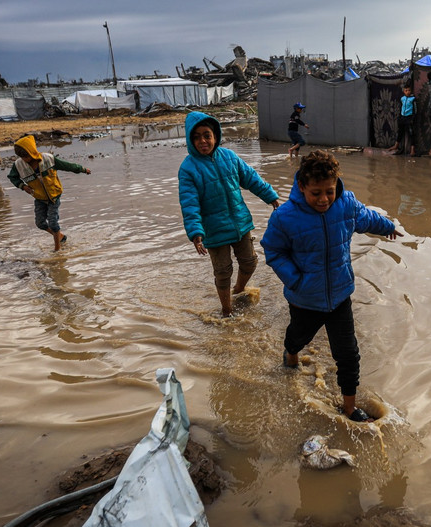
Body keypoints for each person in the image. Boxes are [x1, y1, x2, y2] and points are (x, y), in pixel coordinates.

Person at [261, 150, 403, 422]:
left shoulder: (345, 203)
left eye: (329, 191)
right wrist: (296, 281)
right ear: (301, 186)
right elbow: (273, 251)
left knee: (348, 354)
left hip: (340, 296)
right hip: (304, 299)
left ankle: (349, 408)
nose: (324, 199)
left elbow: (365, 217)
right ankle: (290, 354)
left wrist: (387, 226)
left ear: (337, 183)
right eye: (316, 193)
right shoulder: (284, 217)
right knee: (297, 338)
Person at [178, 112, 281, 316]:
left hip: (240, 223)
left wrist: (272, 198)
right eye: (196, 137)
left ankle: (239, 290)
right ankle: (227, 311)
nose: (203, 141)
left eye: (207, 135)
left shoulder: (229, 157)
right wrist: (196, 232)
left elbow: (252, 179)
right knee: (223, 272)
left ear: (215, 135)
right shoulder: (188, 169)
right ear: (191, 140)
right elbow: (189, 204)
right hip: (214, 230)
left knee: (250, 262)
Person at [7, 135, 90, 251]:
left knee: (53, 223)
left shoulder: (48, 159)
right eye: (22, 157)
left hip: (54, 195)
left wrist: (81, 169)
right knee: (40, 223)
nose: (24, 159)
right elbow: (12, 177)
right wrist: (23, 186)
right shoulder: (19, 165)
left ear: (32, 152)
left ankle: (57, 249)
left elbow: (66, 166)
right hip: (39, 197)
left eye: (26, 156)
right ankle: (60, 237)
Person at [386, 86, 416, 156]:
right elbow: (401, 108)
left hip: (409, 117)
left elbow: (415, 110)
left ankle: (412, 150)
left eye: (409, 90)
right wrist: (400, 117)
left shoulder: (413, 99)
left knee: (411, 133)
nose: (408, 92)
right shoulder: (402, 98)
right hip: (402, 117)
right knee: (400, 132)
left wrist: (412, 118)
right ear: (403, 91)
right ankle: (396, 146)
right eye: (406, 90)